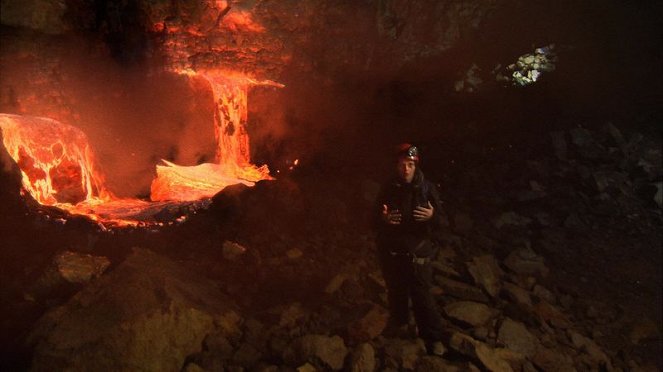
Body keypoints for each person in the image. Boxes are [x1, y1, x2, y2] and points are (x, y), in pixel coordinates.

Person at [375, 143, 446, 356]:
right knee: (396, 293)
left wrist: (433, 217)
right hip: (393, 253)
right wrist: (383, 218)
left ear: (415, 166)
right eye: (401, 165)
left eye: (409, 165)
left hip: (418, 254)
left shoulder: (427, 189)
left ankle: (433, 338)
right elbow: (372, 220)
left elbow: (443, 223)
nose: (405, 169)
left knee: (422, 298)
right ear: (395, 166)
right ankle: (400, 325)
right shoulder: (388, 188)